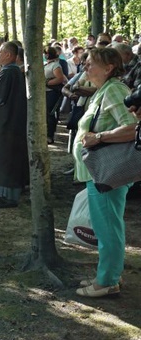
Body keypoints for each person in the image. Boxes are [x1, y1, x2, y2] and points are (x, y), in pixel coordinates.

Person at [73, 48, 137, 298]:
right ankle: (108, 274)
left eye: (90, 63)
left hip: (107, 175)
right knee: (105, 226)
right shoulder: (104, 90)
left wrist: (99, 136)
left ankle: (108, 281)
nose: (85, 67)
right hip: (98, 173)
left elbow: (133, 127)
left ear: (109, 67)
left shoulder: (114, 90)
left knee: (108, 228)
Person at [0, 41, 28, 209]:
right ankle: (4, 195)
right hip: (11, 122)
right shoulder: (14, 73)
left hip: (5, 125)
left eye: (0, 52)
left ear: (8, 55)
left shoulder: (8, 73)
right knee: (8, 159)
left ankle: (7, 196)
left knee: (5, 159)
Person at [44, 46, 67, 144]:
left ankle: (50, 135)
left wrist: (46, 83)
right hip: (45, 92)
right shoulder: (46, 64)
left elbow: (60, 78)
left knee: (50, 114)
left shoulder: (56, 65)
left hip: (52, 92)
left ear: (48, 54)